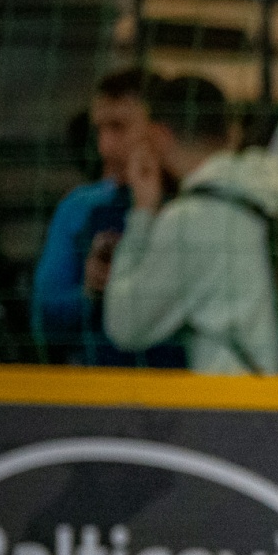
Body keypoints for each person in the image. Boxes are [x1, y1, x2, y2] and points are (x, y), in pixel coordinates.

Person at [102, 75, 278, 375]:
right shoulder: (275, 190)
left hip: (228, 395)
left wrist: (142, 212)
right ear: (230, 131)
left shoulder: (188, 220)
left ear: (159, 136)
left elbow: (125, 326)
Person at [30, 69, 184, 367]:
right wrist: (88, 293)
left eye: (118, 128)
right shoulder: (81, 208)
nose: (104, 147)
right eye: (99, 130)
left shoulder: (198, 205)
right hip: (103, 379)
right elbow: (44, 320)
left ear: (160, 132)